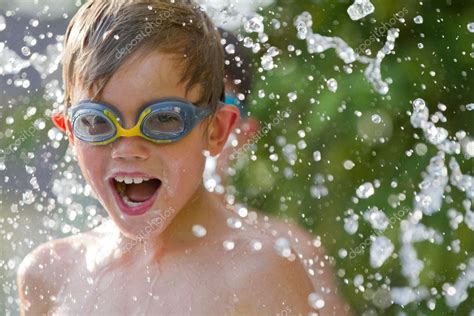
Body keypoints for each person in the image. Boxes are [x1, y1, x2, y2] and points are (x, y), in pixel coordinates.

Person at [16, 0, 316, 315]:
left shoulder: (256, 274)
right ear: (71, 134)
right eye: (97, 122)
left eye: (163, 120)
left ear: (216, 130)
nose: (128, 148)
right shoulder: (49, 274)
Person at [216, 29, 351, 314]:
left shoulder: (291, 249)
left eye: (219, 111)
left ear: (245, 133)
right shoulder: (100, 258)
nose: (200, 127)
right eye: (174, 115)